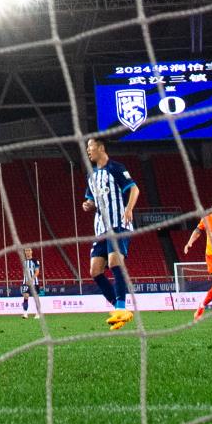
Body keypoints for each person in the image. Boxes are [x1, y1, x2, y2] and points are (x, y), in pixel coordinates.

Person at [81, 137, 140, 331]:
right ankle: (119, 309)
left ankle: (121, 308)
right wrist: (88, 204)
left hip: (118, 223)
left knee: (115, 262)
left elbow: (134, 189)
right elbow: (91, 200)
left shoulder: (116, 168)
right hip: (101, 228)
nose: (88, 151)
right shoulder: (91, 175)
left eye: (90, 147)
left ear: (100, 148)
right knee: (95, 271)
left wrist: (129, 209)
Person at [21, 247, 41, 319]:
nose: (28, 252)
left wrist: (31, 279)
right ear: (25, 252)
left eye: (29, 250)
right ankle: (25, 313)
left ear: (31, 251)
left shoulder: (35, 261)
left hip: (34, 282)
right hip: (26, 282)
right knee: (26, 296)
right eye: (26, 250)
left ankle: (38, 313)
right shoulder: (24, 261)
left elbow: (37, 272)